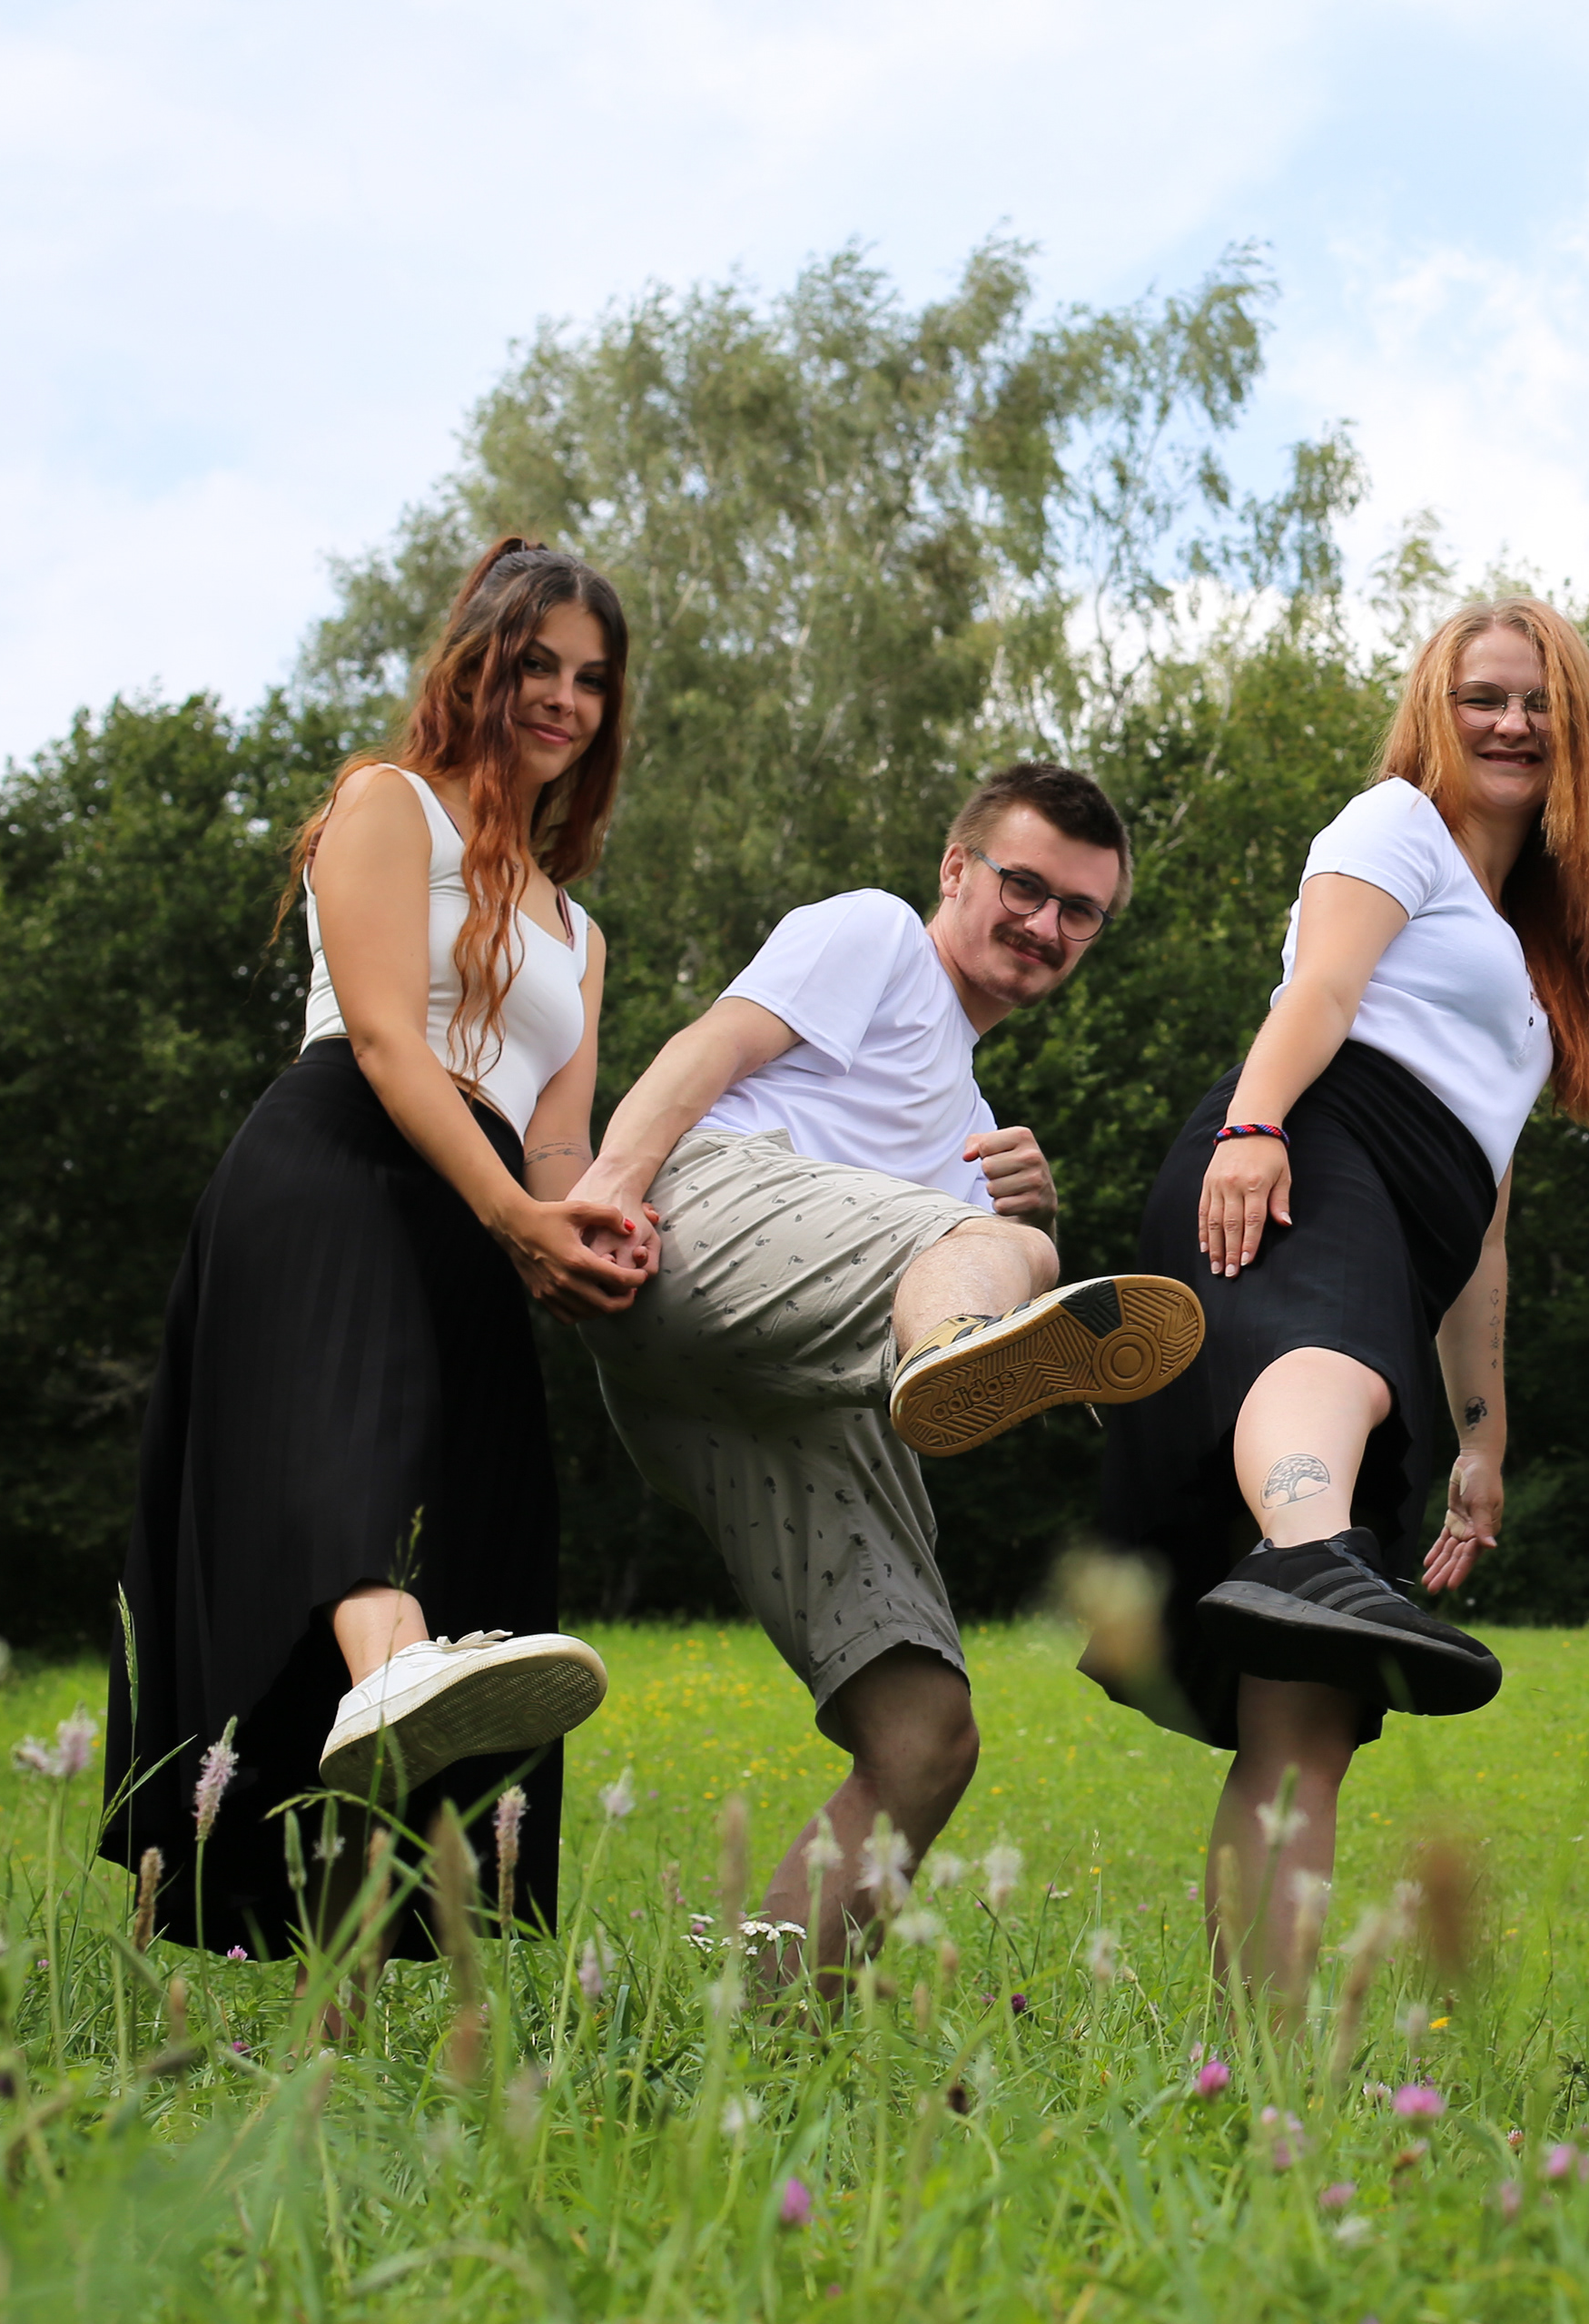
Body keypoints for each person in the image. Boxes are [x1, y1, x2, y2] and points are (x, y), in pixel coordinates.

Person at [570, 762, 1201, 1983]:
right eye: (1025, 886)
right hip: (697, 1227)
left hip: (769, 1381)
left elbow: (943, 1245)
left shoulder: (975, 1131)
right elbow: (715, 1046)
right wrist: (607, 1189)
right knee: (1013, 1253)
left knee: (926, 1741)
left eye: (1081, 912)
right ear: (957, 869)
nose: (1046, 925)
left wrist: (1022, 1222)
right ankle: (961, 1337)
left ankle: (760, 2024)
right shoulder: (875, 936)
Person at [106, 537, 643, 1956]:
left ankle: (365, 1960)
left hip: (480, 1223)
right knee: (361, 1459)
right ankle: (397, 1675)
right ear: (475, 668)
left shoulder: (580, 935)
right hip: (337, 1165)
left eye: (592, 680)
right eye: (537, 665)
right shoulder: (385, 804)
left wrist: (591, 1238)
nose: (565, 699)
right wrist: (517, 1214)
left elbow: (560, 1144)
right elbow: (393, 1040)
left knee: (464, 1531)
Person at [1092, 598, 1589, 1996]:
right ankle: (1304, 1540)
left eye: (1539, 704)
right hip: (1312, 1144)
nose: (1511, 724)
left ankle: (1257, 2054)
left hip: (1418, 1232)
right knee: (1323, 1344)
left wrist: (1482, 1441)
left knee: (1310, 1715)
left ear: (1575, 733)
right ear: (1434, 714)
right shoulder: (1395, 825)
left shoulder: (1533, 955)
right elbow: (1322, 988)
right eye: (1483, 697)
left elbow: (1488, 1228)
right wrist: (1255, 1126)